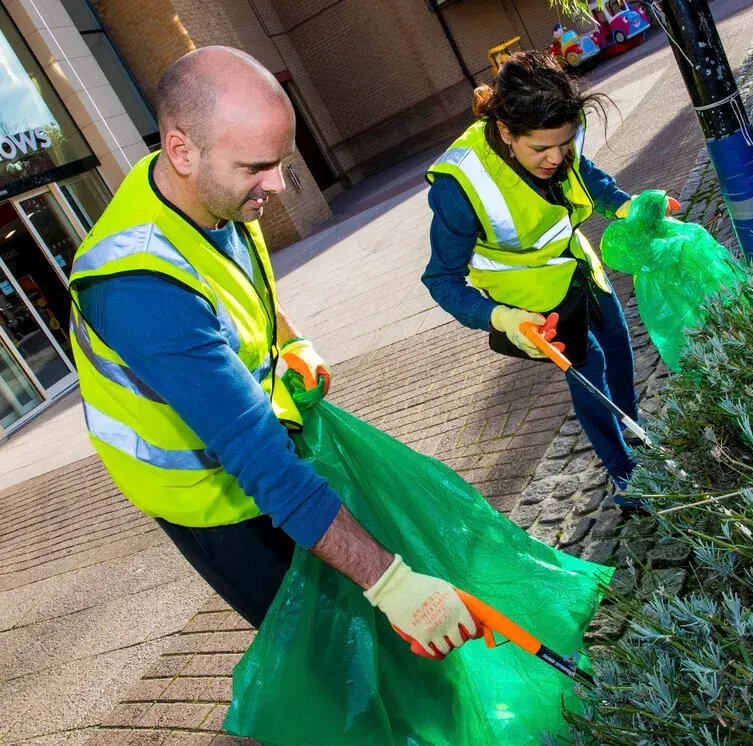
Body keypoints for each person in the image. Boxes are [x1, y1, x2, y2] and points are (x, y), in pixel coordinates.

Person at [68, 46, 480, 660]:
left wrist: (288, 338)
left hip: (255, 453)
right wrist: (392, 584)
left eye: (280, 162)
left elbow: (248, 285)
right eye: (259, 167)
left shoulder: (213, 190)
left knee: (361, 627)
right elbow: (261, 461)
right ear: (181, 151)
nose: (278, 185)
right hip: (212, 505)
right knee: (326, 658)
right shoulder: (137, 288)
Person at [423, 51, 669, 513]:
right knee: (589, 368)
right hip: (530, 303)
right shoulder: (458, 185)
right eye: (541, 149)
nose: (556, 158)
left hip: (579, 267)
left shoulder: (557, 138)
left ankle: (635, 438)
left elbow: (585, 175)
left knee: (618, 344)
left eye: (564, 143)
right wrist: (502, 319)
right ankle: (624, 474)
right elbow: (441, 281)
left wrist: (628, 206)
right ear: (505, 132)